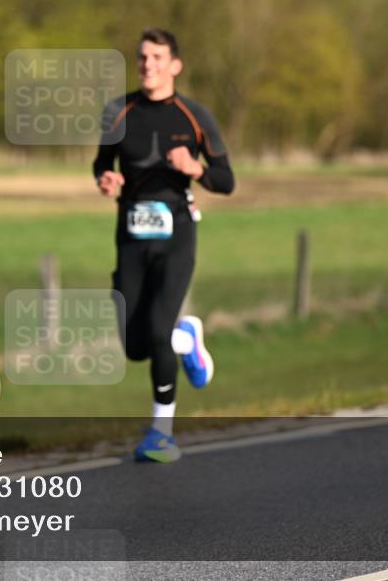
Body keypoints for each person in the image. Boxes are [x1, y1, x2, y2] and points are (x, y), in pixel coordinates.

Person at [93, 28, 235, 463]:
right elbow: (102, 162)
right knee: (136, 345)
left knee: (156, 331)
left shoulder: (194, 116)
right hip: (131, 237)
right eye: (142, 58)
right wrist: (106, 179)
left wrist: (194, 167)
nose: (148, 64)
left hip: (176, 235)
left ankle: (161, 432)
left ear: (175, 65)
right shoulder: (119, 112)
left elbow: (226, 180)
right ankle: (186, 339)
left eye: (157, 57)